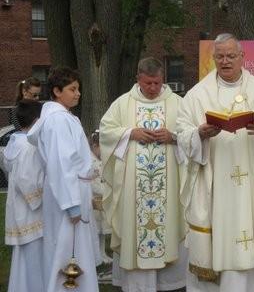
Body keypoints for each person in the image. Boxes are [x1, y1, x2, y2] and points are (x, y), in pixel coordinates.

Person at [177, 33, 254, 292]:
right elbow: (182, 133)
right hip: (213, 185)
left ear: (242, 57)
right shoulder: (197, 95)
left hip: (250, 185)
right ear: (213, 58)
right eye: (220, 56)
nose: (225, 61)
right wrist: (199, 134)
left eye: (231, 56)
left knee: (246, 245)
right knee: (214, 241)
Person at [100, 57, 187, 292]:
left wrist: (174, 137)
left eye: (157, 83)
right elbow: (106, 132)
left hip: (168, 187)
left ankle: (169, 284)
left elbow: (192, 135)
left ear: (163, 80)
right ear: (138, 78)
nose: (152, 88)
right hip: (132, 189)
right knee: (133, 229)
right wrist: (130, 133)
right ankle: (137, 286)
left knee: (169, 229)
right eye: (148, 83)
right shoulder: (122, 103)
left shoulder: (179, 104)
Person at [27, 67, 100, 292]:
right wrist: (72, 205)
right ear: (57, 91)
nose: (78, 93)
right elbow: (62, 164)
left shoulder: (61, 117)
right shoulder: (59, 121)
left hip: (66, 193)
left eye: (78, 89)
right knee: (69, 255)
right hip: (67, 198)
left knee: (67, 251)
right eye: (72, 89)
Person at [3, 99, 44, 292]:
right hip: (31, 211)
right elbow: (26, 179)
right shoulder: (29, 146)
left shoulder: (14, 142)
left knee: (23, 259)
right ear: (38, 120)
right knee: (34, 259)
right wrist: (45, 197)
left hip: (19, 208)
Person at [89, 130, 112, 264]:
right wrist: (106, 192)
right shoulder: (90, 162)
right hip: (93, 201)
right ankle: (96, 255)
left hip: (102, 202)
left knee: (103, 230)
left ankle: (103, 253)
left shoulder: (102, 160)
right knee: (96, 230)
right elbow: (93, 184)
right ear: (95, 146)